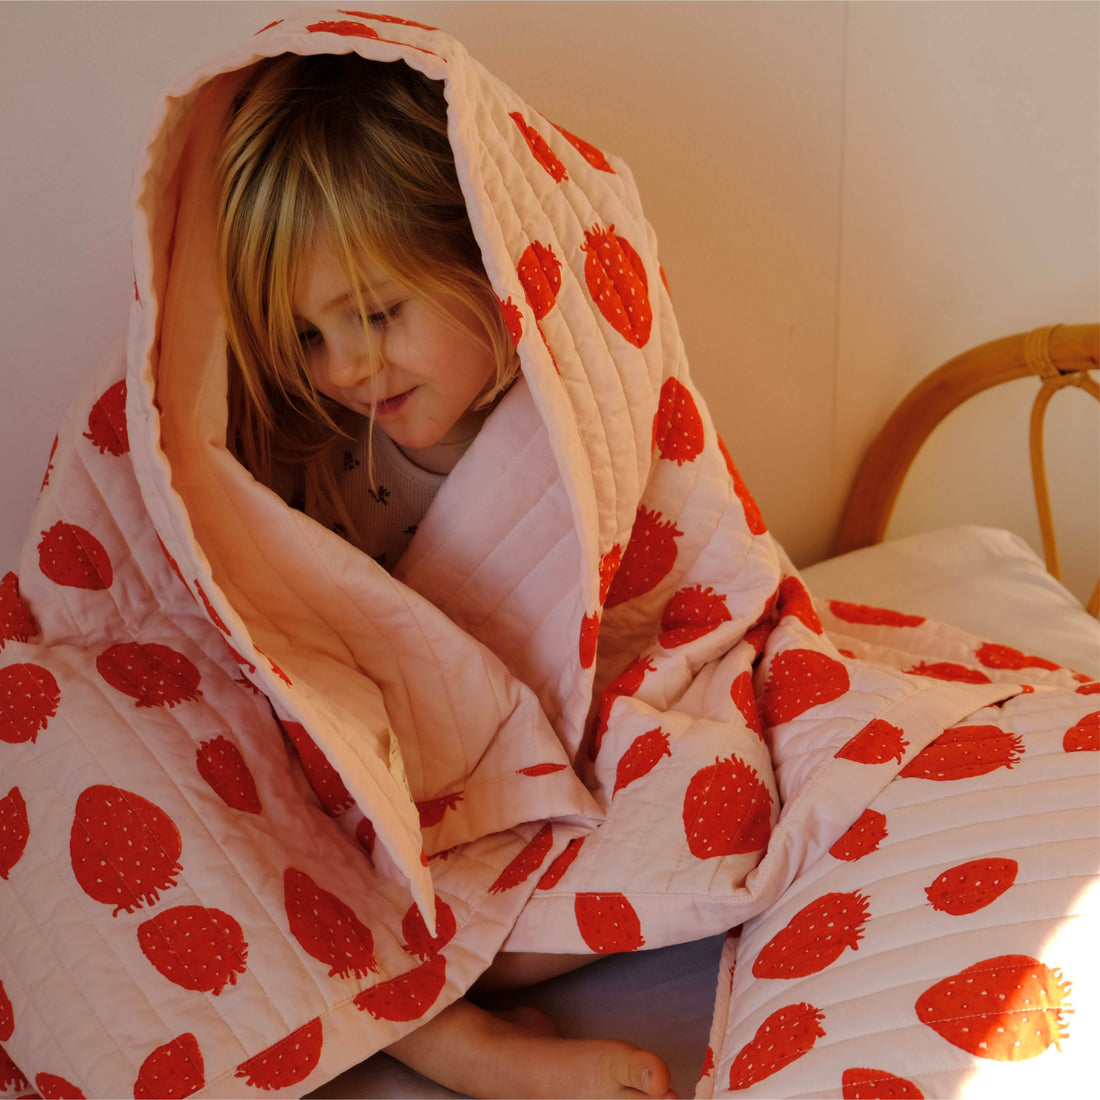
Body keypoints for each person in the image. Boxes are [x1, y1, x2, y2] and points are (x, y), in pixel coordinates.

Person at [216, 50, 673, 1100]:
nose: (338, 368)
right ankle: (464, 1045)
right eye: (306, 335)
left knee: (722, 800)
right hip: (385, 794)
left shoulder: (579, 423)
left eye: (373, 315)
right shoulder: (320, 457)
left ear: (487, 262)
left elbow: (672, 591)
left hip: (540, 776)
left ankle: (431, 994)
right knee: (259, 858)